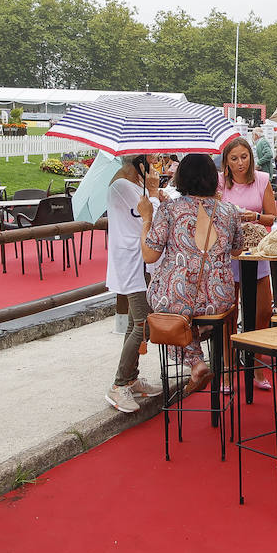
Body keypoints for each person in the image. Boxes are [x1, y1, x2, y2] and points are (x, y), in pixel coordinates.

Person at [141, 153, 242, 396]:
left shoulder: (169, 209)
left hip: (176, 297)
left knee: (163, 310)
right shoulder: (229, 211)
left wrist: (146, 219)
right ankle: (198, 343)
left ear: (181, 177)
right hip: (220, 300)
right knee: (188, 313)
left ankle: (196, 362)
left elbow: (149, 256)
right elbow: (237, 249)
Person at [105, 155, 163, 413]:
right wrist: (152, 192)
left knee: (134, 322)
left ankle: (131, 378)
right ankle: (119, 384)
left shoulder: (123, 185)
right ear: (139, 165)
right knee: (143, 324)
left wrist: (152, 193)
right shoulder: (124, 187)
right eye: (149, 162)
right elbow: (151, 217)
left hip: (134, 258)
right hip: (132, 260)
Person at [220, 136, 277, 390]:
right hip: (228, 253)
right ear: (226, 162)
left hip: (256, 250)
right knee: (228, 312)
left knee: (263, 310)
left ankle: (254, 362)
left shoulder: (262, 179)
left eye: (244, 157)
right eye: (234, 158)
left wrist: (253, 216)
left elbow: (271, 217)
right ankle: (227, 369)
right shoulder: (220, 183)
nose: (240, 163)